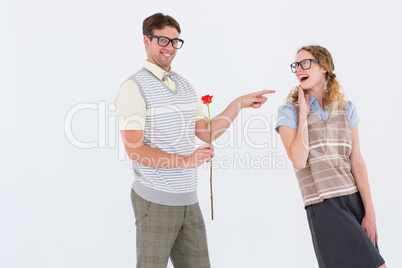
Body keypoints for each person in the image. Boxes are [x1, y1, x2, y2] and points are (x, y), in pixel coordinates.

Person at [114, 13, 274, 268]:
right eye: (163, 40)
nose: (170, 48)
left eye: (175, 41)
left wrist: (238, 104)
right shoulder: (134, 87)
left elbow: (206, 133)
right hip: (154, 202)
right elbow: (134, 150)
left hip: (189, 200)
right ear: (146, 40)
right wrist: (187, 160)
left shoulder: (185, 86)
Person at [275, 45, 386, 268]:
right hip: (324, 205)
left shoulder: (347, 109)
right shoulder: (289, 113)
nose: (299, 69)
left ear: (324, 67)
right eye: (295, 65)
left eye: (305, 63)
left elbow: (357, 162)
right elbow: (298, 157)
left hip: (354, 201)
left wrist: (370, 211)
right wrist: (304, 115)